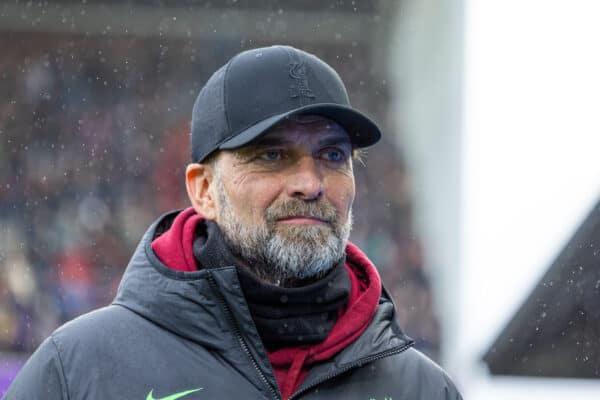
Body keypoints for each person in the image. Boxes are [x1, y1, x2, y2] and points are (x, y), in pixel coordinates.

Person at [5, 45, 462, 400]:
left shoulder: (421, 389)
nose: (309, 182)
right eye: (271, 155)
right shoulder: (81, 370)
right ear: (204, 190)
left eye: (332, 155)